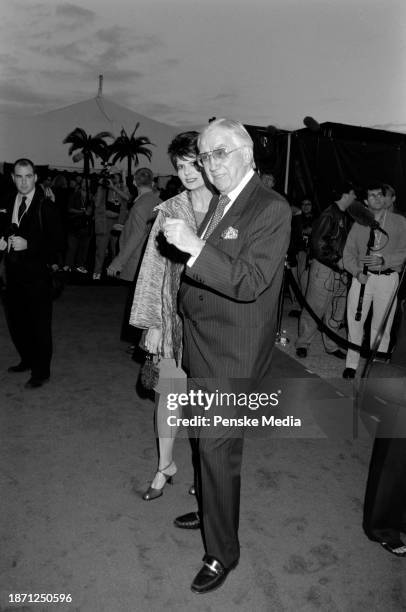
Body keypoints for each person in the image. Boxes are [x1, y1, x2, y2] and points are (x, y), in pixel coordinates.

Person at [162, 118, 291, 594]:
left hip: (232, 354)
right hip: (202, 343)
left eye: (220, 153)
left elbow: (249, 281)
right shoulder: (222, 200)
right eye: (205, 155)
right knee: (204, 442)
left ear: (247, 154)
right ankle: (210, 504)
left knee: (217, 449)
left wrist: (194, 246)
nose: (210, 163)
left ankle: (222, 553)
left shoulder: (271, 207)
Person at [128, 131, 213, 501]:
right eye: (180, 166)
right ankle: (165, 466)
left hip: (213, 324)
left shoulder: (228, 210)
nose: (188, 172)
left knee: (207, 406)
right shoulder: (170, 210)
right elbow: (152, 271)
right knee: (171, 397)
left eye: (194, 163)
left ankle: (206, 473)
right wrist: (152, 324)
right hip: (174, 319)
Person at [0, 158, 63, 388]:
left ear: (35, 178)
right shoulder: (7, 200)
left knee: (39, 325)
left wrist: (30, 245)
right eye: (19, 176)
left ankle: (41, 371)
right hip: (12, 275)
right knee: (17, 323)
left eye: (28, 176)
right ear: (13, 178)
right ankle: (26, 359)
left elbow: (57, 243)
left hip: (37, 277)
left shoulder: (46, 206)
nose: (24, 182)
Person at [342, 182, 406, 378]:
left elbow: (404, 252)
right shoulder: (359, 223)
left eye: (380, 194)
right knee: (355, 320)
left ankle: (375, 367)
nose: (377, 198)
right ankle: (351, 364)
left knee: (382, 326)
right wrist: (356, 272)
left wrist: (384, 260)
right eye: (372, 195)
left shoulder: (399, 222)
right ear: (365, 201)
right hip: (362, 278)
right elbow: (348, 253)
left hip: (387, 278)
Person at [295, 182, 356, 359]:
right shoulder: (329, 215)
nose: (355, 197)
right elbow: (317, 244)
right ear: (345, 195)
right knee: (314, 307)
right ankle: (303, 342)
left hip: (339, 270)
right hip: (325, 269)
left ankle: (331, 345)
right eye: (353, 194)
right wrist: (338, 261)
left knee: (335, 310)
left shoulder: (344, 215)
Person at [107, 168, 162, 347]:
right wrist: (126, 228)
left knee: (138, 303)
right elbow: (145, 229)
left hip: (139, 259)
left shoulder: (140, 205)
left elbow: (137, 234)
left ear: (134, 182)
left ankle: (138, 344)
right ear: (152, 182)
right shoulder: (157, 200)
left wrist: (117, 262)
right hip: (151, 258)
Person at [93, 171, 129, 280]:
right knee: (101, 248)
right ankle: (97, 272)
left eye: (115, 177)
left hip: (118, 222)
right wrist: (101, 185)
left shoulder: (123, 188)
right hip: (105, 222)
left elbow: (127, 198)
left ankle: (115, 271)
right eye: (112, 178)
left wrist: (114, 188)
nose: (113, 179)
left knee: (117, 248)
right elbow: (96, 203)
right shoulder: (104, 189)